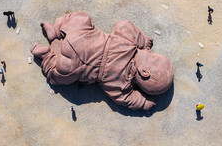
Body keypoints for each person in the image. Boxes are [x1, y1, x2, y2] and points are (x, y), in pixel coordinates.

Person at [31, 12, 174, 111]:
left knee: (79, 19)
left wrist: (143, 41)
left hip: (83, 37)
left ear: (144, 72)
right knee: (60, 74)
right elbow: (126, 99)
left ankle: (55, 31)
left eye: (152, 55)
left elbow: (123, 25)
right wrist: (143, 103)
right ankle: (46, 55)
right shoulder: (121, 84)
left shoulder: (127, 43)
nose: (150, 51)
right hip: (77, 64)